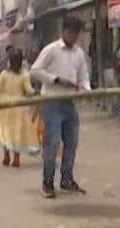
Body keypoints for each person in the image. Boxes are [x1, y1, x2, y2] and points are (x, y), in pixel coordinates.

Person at [30, 17, 91, 196]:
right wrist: (55, 80)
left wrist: (86, 89)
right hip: (51, 101)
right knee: (53, 143)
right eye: (71, 33)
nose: (73, 37)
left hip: (69, 102)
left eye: (76, 34)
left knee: (72, 142)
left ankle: (67, 179)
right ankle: (47, 183)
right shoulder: (51, 50)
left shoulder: (79, 53)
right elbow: (35, 71)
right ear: (64, 31)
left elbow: (83, 76)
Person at [0, 49, 40, 167]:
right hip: (19, 105)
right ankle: (16, 158)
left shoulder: (4, 74)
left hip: (4, 105)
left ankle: (6, 155)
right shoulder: (24, 75)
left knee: (5, 130)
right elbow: (29, 91)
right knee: (16, 132)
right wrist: (37, 93)